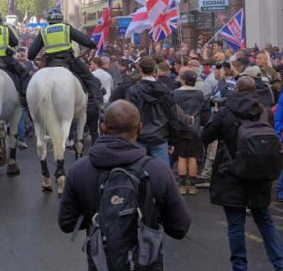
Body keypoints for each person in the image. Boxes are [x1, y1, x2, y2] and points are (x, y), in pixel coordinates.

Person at [58, 100, 191, 270]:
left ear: (103, 128)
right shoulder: (158, 170)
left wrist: (99, 217)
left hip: (102, 263)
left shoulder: (79, 170)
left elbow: (67, 223)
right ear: (140, 128)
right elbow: (180, 227)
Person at [201, 76, 283, 270]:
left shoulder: (225, 112)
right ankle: (279, 262)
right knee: (264, 220)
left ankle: (239, 267)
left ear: (236, 89)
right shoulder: (264, 112)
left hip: (231, 172)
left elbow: (206, 136)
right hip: (259, 172)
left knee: (236, 224)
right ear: (255, 91)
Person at [27, 8, 103, 139]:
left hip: (49, 63)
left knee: (31, 84)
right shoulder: (66, 28)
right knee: (91, 79)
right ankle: (99, 104)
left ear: (49, 21)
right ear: (61, 19)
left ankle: (28, 105)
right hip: (69, 61)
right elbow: (84, 40)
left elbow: (31, 54)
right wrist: (92, 44)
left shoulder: (44, 32)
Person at [127, 56, 191, 165]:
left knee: (136, 170)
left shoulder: (133, 91)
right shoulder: (165, 91)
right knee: (161, 172)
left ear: (140, 69)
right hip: (159, 137)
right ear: (154, 69)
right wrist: (172, 139)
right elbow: (172, 115)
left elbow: (129, 116)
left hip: (140, 136)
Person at [173, 70, 210, 195]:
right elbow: (205, 113)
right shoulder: (200, 94)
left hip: (180, 128)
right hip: (195, 128)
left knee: (181, 157)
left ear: (183, 80)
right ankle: (193, 186)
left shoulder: (175, 94)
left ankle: (183, 185)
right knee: (192, 157)